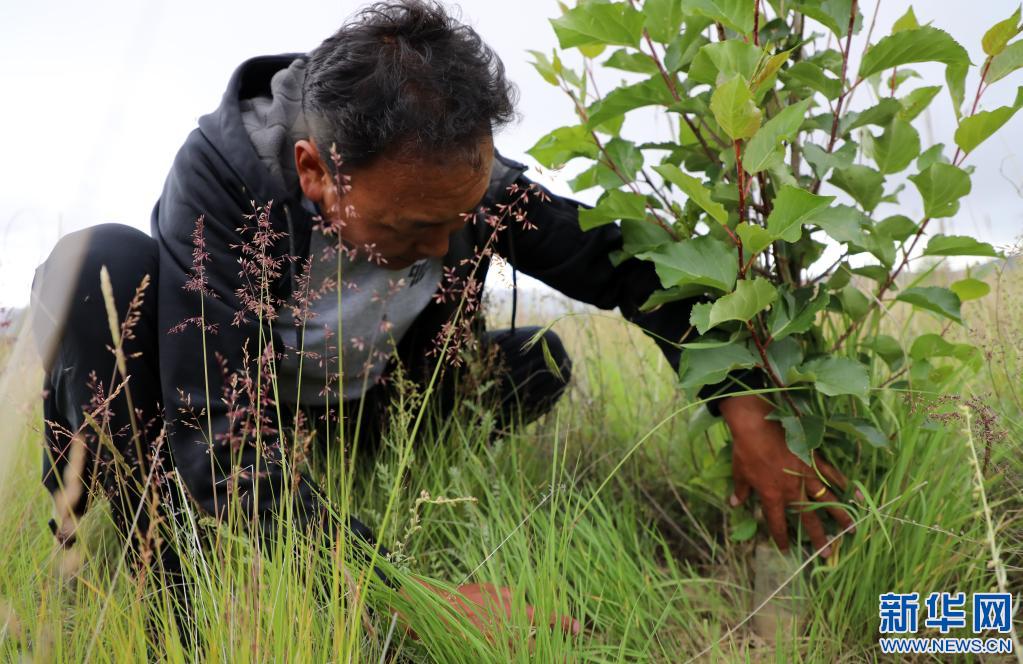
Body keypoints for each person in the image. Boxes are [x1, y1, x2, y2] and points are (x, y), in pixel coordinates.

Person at [30, 0, 854, 640]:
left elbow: (632, 265)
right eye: (414, 229)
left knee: (538, 359)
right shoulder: (223, 180)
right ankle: (159, 577)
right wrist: (415, 594)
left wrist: (745, 405)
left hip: (365, 409)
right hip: (239, 414)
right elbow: (219, 438)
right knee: (97, 264)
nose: (444, 244)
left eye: (462, 216)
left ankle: (376, 479)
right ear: (314, 173)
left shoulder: (463, 182)